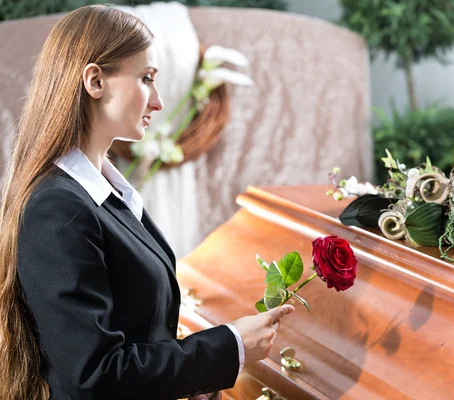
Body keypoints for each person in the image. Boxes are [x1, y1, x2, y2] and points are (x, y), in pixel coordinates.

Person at [0, 5, 294, 400]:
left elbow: (138, 337)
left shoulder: (106, 195)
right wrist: (231, 345)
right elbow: (96, 377)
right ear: (95, 81)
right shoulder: (59, 209)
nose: (158, 101)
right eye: (146, 78)